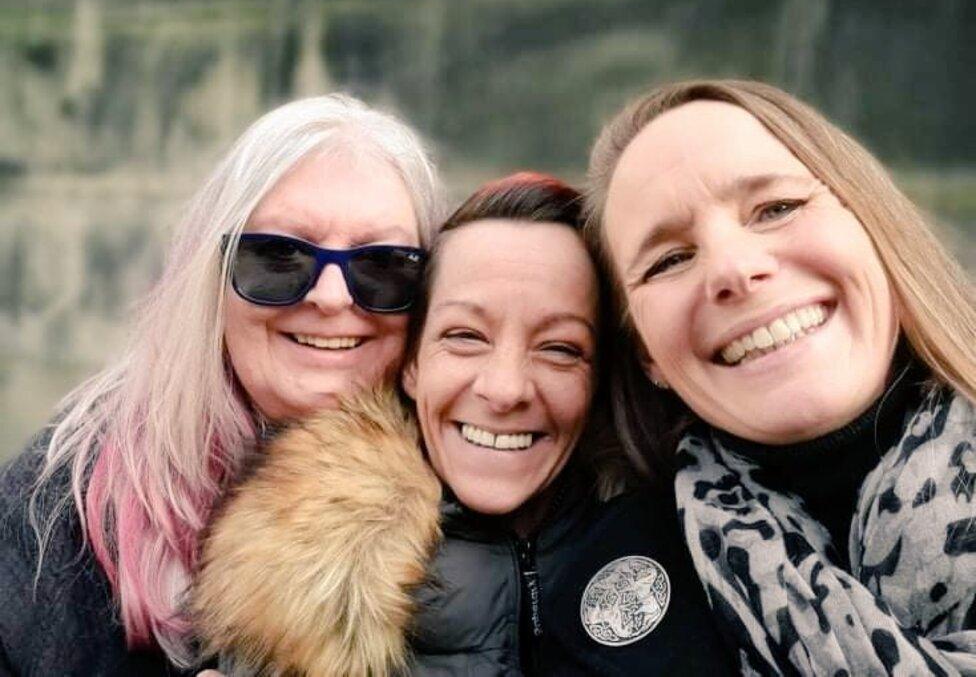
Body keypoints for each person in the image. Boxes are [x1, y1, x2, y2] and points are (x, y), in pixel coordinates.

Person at [191, 173, 736, 676]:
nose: (504, 390)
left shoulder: (699, 533)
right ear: (411, 363)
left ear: (602, 377)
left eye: (560, 348)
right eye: (465, 337)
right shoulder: (297, 577)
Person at [0, 94, 444, 675]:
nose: (331, 298)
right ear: (212, 275)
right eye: (278, 256)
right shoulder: (67, 499)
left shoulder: (488, 474)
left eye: (384, 265)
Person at [583, 78, 976, 674]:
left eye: (777, 208)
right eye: (669, 260)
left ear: (874, 224)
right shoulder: (604, 613)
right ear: (647, 357)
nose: (735, 270)